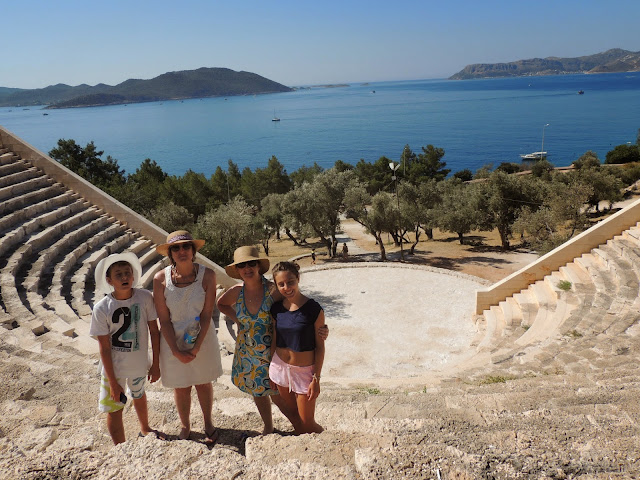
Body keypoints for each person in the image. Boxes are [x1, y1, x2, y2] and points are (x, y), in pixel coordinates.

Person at [217, 246, 328, 435]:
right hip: (251, 353)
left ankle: (305, 431)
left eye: (252, 263)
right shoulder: (237, 292)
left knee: (289, 403)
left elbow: (296, 310)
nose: (247, 268)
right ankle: (269, 427)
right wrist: (238, 320)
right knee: (259, 392)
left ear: (259, 266)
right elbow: (221, 304)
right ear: (237, 270)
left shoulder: (273, 291)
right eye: (242, 265)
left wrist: (321, 329)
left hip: (275, 353)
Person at [153, 230, 223, 442]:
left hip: (202, 337)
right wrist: (175, 350)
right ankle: (185, 425)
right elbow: (163, 319)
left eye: (186, 247)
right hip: (172, 337)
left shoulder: (208, 275)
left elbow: (207, 314)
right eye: (176, 248)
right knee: (181, 386)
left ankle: (208, 423)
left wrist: (195, 348)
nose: (182, 251)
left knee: (203, 383)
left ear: (193, 251)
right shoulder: (160, 279)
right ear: (171, 253)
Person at [90, 251, 164, 445]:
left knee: (139, 394)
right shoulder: (102, 308)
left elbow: (155, 332)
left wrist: (156, 364)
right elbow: (104, 348)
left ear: (133, 276)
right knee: (115, 408)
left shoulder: (145, 297)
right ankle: (120, 448)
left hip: (139, 363)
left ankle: (145, 428)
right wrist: (113, 382)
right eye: (118, 274)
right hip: (114, 368)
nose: (124, 277)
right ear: (109, 280)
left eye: (127, 273)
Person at [269, 261, 325, 434]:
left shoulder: (313, 309)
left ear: (298, 279)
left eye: (290, 281)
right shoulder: (276, 309)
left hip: (304, 372)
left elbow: (320, 347)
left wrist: (316, 378)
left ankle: (326, 439)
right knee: (293, 414)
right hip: (280, 367)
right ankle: (301, 439)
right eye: (281, 284)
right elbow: (274, 339)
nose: (286, 287)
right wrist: (270, 366)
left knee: (307, 422)